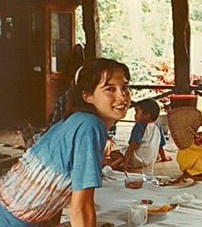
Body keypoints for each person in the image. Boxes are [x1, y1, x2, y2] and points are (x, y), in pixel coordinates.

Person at [0, 58, 131, 226]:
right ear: (88, 96)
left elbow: (63, 185)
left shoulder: (78, 120)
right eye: (110, 89)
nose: (122, 96)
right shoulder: (89, 125)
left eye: (125, 87)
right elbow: (81, 207)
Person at [104, 98, 171, 171]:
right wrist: (164, 158)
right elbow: (160, 146)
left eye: (137, 112)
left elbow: (133, 146)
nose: (134, 115)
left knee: (113, 153)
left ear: (147, 115)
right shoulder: (158, 126)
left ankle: (114, 162)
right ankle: (119, 161)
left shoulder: (139, 126)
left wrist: (126, 163)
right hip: (148, 161)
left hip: (134, 160)